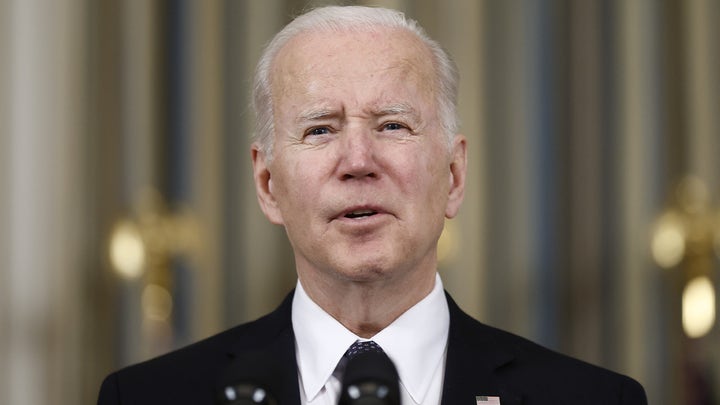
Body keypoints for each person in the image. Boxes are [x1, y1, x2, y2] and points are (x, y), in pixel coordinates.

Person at [97, 5, 647, 405]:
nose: (358, 160)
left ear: (453, 176)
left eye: (392, 125)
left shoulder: (595, 398)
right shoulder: (148, 397)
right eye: (319, 129)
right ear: (268, 184)